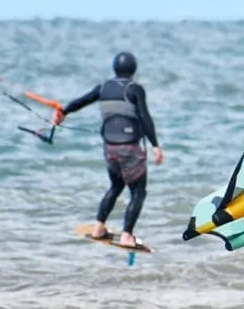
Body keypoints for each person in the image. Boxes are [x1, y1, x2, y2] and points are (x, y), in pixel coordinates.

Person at [54, 51, 163, 248]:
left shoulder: (103, 87)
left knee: (116, 186)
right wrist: (155, 145)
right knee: (138, 192)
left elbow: (81, 101)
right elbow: (145, 118)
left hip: (109, 149)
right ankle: (126, 235)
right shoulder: (135, 89)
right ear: (133, 69)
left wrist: (64, 111)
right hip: (129, 148)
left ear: (115, 68)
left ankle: (98, 228)